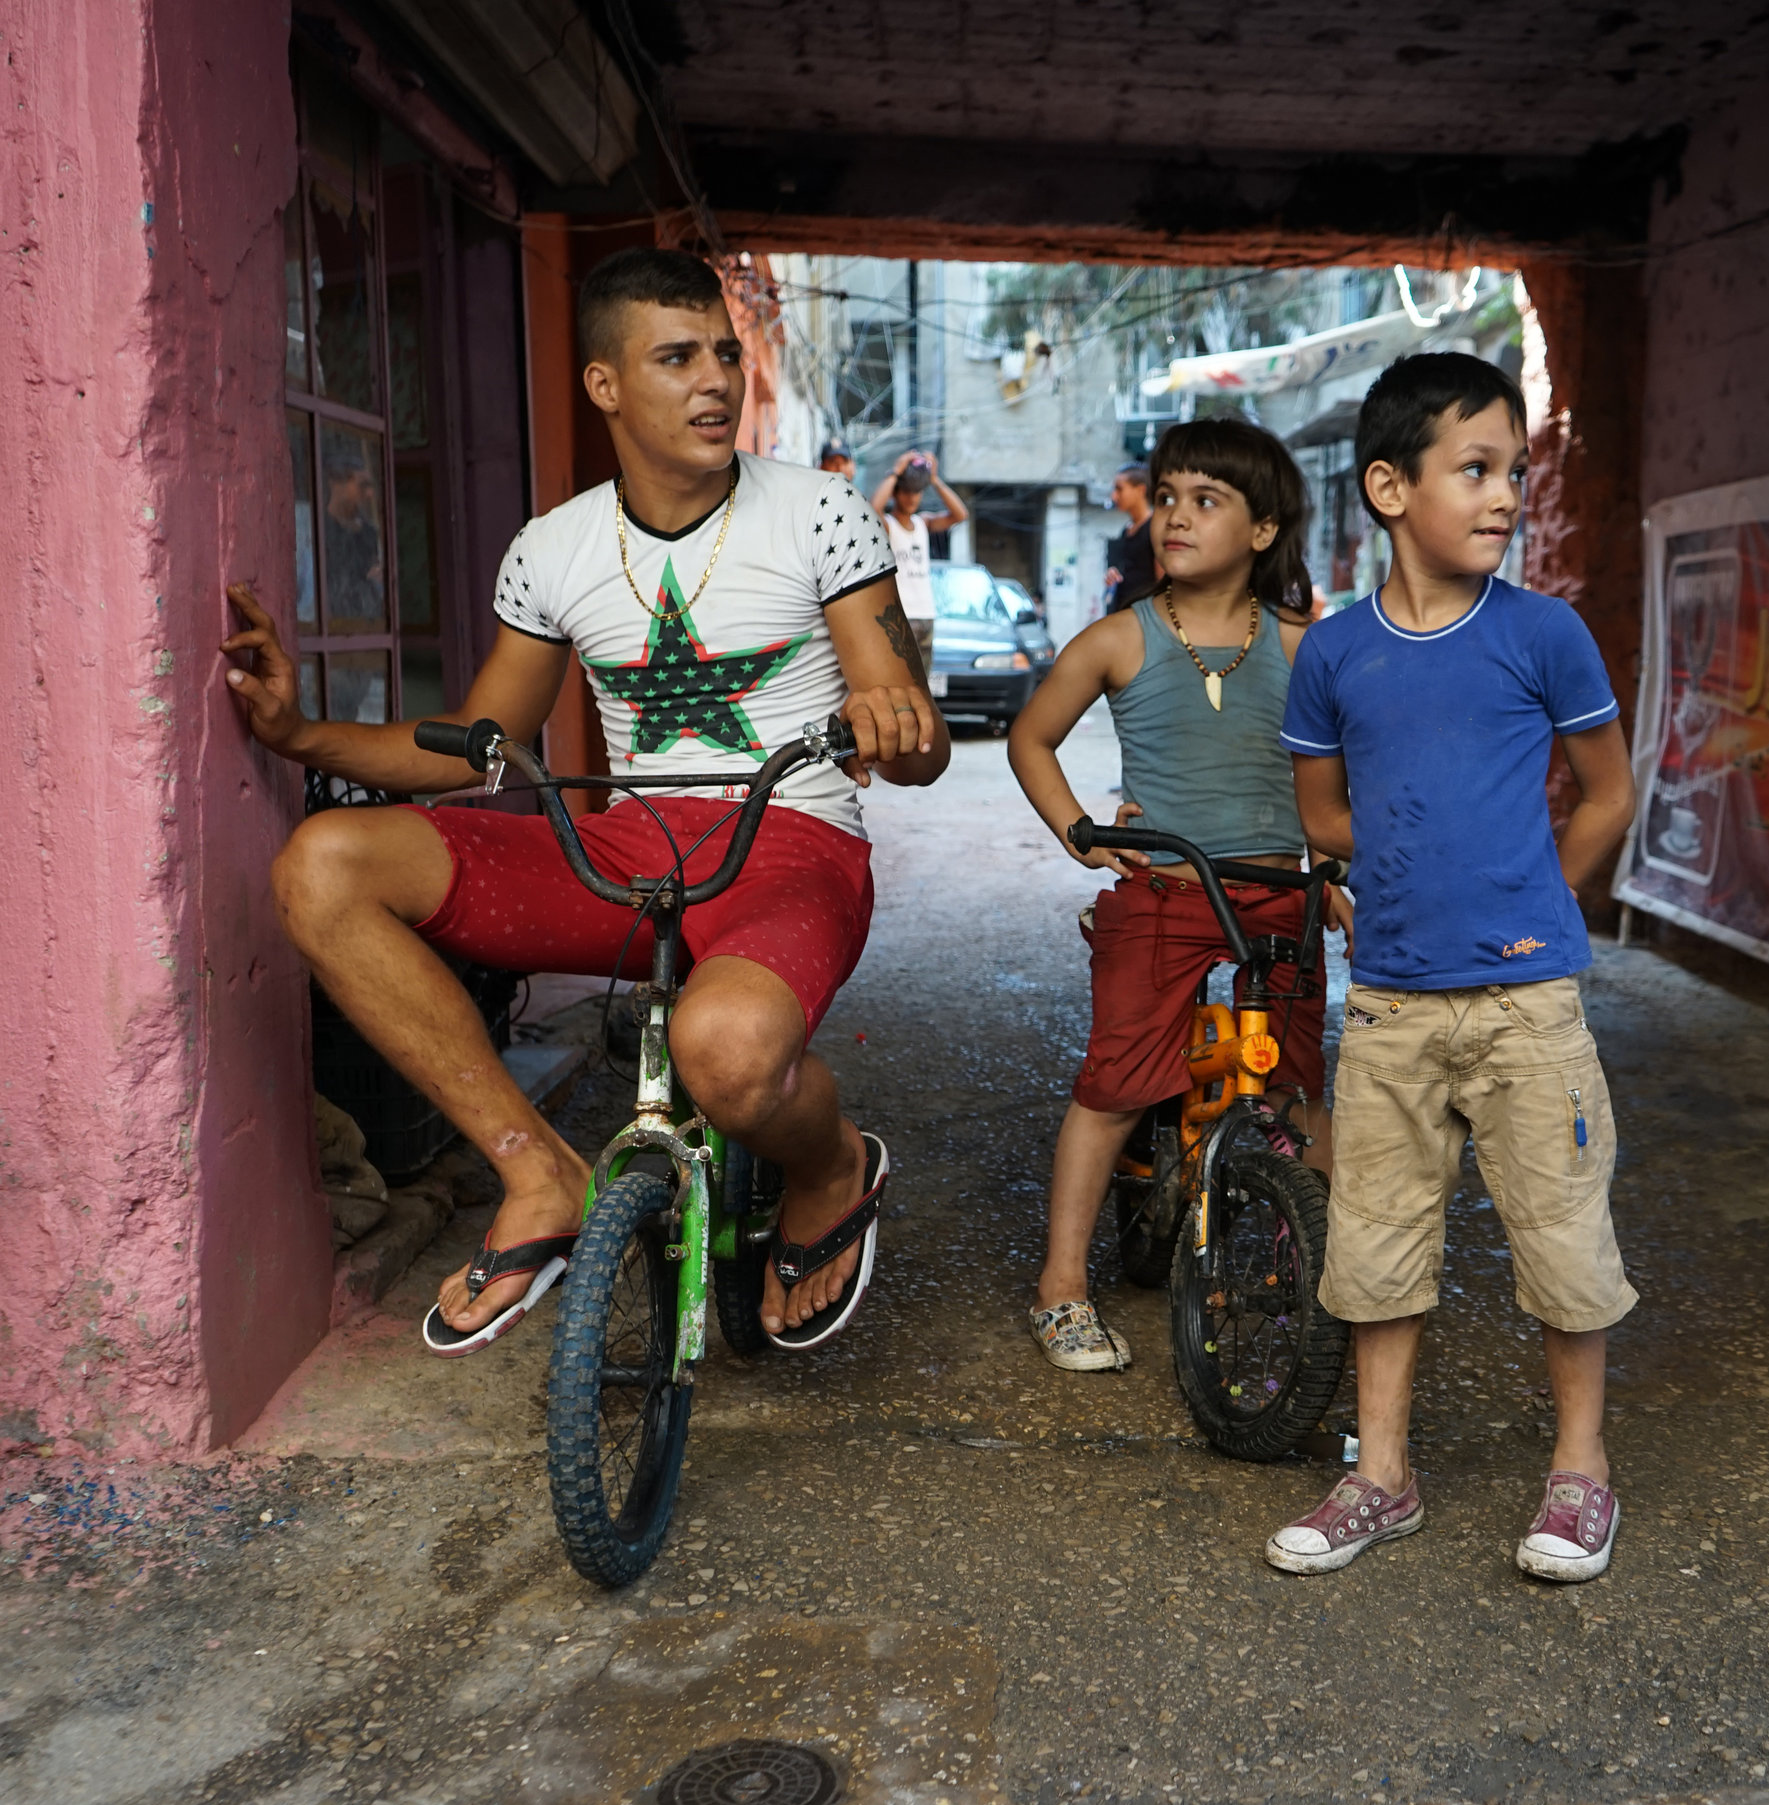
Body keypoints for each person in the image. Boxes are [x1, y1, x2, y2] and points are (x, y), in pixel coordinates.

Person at [221, 247, 950, 1356]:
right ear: (604, 384)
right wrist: (297, 733)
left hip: (791, 841)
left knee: (727, 1054)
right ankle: (536, 1175)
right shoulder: (551, 549)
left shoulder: (822, 514)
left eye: (722, 354)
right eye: (674, 357)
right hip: (623, 846)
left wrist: (901, 722)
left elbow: (919, 752)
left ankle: (832, 1163)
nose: (714, 381)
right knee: (323, 864)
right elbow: (483, 746)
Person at [1268, 352, 1637, 1581]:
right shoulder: (1332, 655)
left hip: (1531, 1003)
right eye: (1472, 470)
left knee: (1564, 1244)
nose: (1503, 497)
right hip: (1387, 1006)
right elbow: (1323, 816)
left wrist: (1534, 896)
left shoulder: (1544, 632)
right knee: (1373, 1244)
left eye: (1514, 473)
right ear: (1386, 486)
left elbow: (1606, 792)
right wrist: (1406, 867)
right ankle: (1382, 1477)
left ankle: (1578, 1475)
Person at [1005, 420, 1338, 1370]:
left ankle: (1316, 1266)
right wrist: (1081, 831)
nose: (1175, 517)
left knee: (1302, 1089)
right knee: (1114, 1085)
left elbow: (1343, 777)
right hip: (1166, 883)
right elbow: (1033, 738)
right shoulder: (1120, 639)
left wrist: (1338, 871)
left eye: (1207, 500)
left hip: (1280, 888)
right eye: (1167, 498)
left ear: (1264, 530)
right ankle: (1061, 1287)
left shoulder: (1307, 647)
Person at [868, 448, 967, 637]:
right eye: (906, 491)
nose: (912, 497)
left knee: (924, 668)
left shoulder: (923, 523)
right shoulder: (889, 525)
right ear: (895, 494)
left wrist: (935, 479)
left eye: (917, 491)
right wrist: (896, 471)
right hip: (900, 615)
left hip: (926, 614)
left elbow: (960, 514)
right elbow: (873, 509)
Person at [1101, 462, 1153, 616]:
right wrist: (1113, 574)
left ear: (1140, 490)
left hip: (1146, 617)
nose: (1114, 496)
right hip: (1125, 613)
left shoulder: (1155, 529)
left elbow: (1163, 581)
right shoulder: (1126, 530)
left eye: (1119, 489)